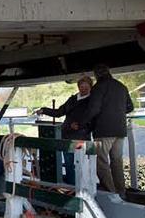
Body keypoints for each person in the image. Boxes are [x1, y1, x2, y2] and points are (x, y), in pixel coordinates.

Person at [73, 64, 133, 196]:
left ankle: (111, 193)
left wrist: (81, 123)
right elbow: (130, 107)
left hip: (104, 131)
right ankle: (121, 192)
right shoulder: (121, 86)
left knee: (101, 161)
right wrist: (117, 112)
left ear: (96, 75)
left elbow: (93, 109)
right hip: (120, 131)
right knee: (117, 161)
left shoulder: (98, 88)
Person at [36, 75, 94, 184]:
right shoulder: (72, 99)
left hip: (82, 137)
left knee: (82, 164)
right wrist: (44, 110)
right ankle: (71, 187)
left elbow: (93, 118)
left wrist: (81, 126)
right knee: (68, 163)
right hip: (66, 135)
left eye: (86, 87)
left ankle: (83, 187)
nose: (84, 89)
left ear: (90, 87)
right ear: (78, 87)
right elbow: (59, 112)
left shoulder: (92, 101)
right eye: (82, 86)